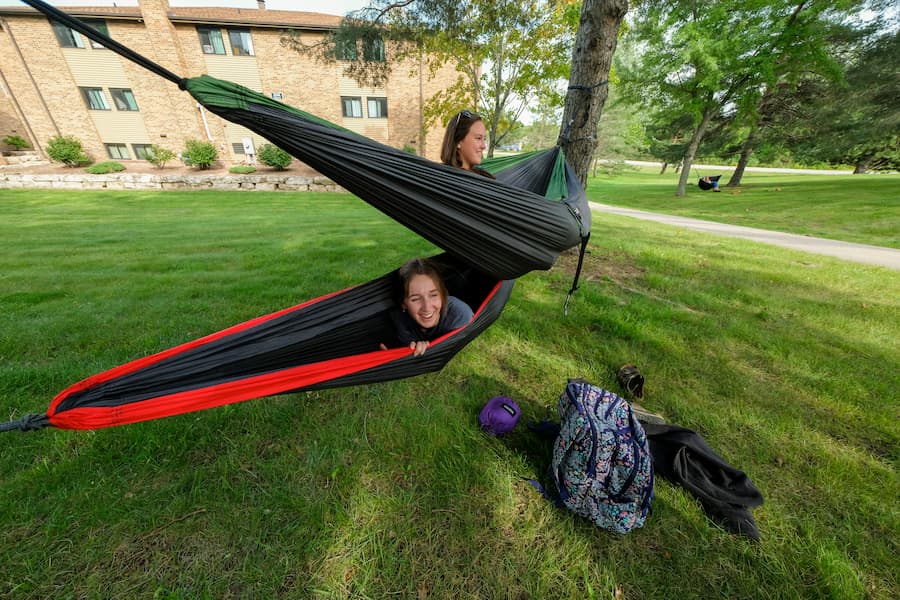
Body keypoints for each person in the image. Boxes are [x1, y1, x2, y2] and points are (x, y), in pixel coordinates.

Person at [380, 257, 474, 356]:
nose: (427, 307)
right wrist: (411, 349)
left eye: (433, 295)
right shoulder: (399, 319)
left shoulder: (459, 314)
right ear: (403, 304)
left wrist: (429, 349)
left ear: (443, 295)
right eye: (415, 299)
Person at [440, 110, 495, 178]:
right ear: (458, 141)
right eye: (478, 138)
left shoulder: (485, 177)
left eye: (484, 139)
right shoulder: (441, 179)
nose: (483, 146)